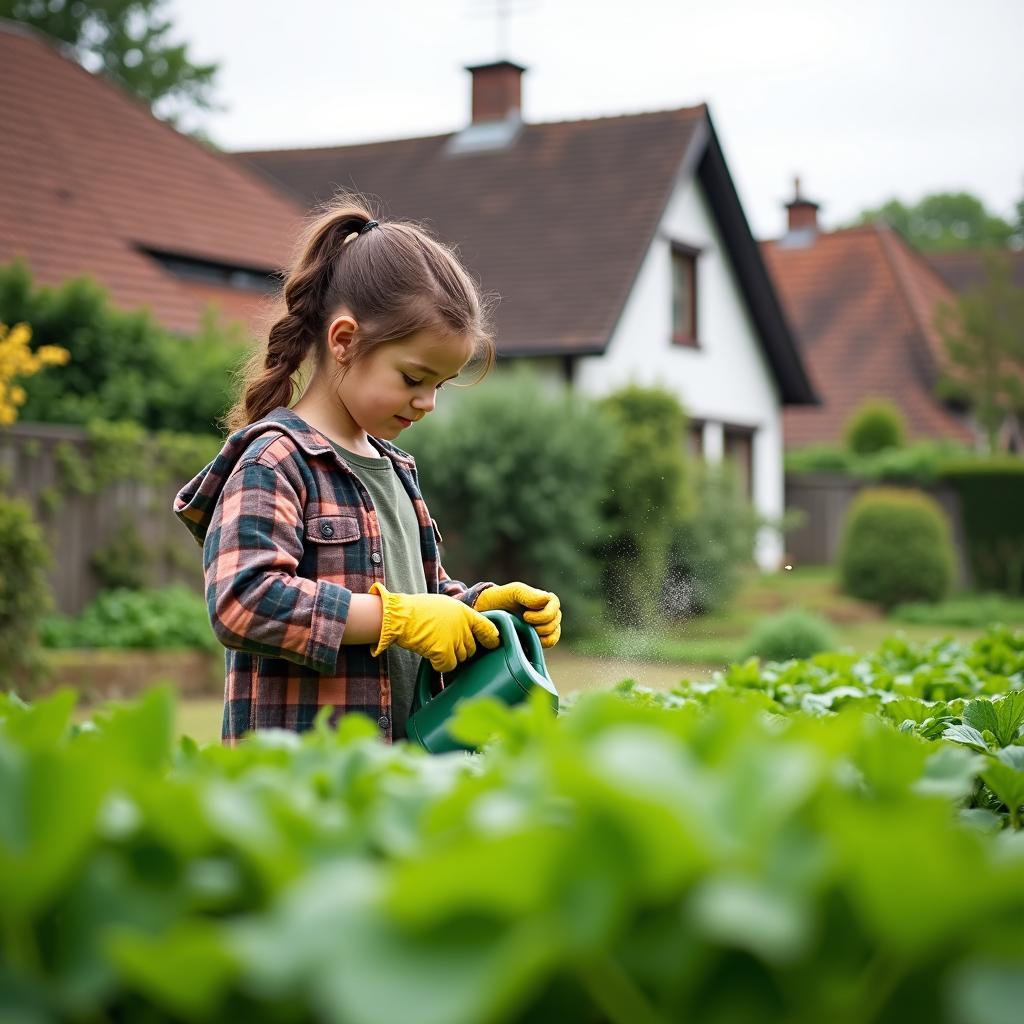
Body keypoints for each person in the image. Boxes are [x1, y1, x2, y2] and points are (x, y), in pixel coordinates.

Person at [174, 197, 561, 746]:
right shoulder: (275, 461)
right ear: (345, 341)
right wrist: (394, 619)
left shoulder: (397, 470)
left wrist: (477, 608)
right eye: (412, 378)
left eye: (440, 386)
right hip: (299, 797)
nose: (427, 402)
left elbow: (419, 598)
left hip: (393, 786)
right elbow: (242, 602)